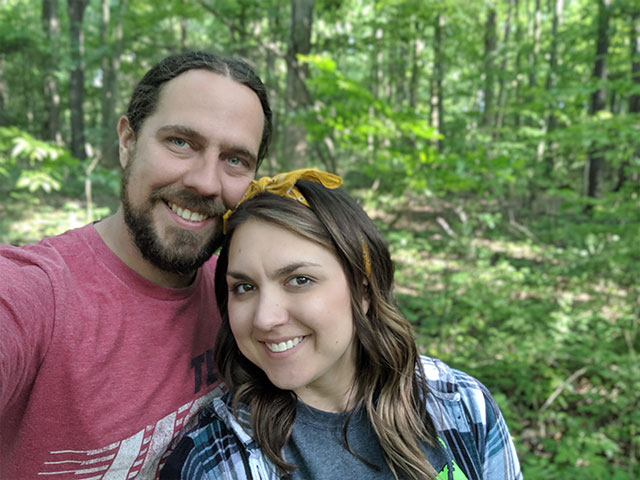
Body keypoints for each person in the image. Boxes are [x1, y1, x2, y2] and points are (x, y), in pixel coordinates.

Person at [0, 50, 272, 479]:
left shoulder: (245, 300)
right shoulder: (38, 294)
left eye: (235, 160)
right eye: (181, 142)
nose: (205, 181)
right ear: (128, 141)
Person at [160, 169, 523, 480]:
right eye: (244, 287)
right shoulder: (214, 461)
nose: (265, 317)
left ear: (363, 290)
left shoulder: (461, 405)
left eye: (299, 280)